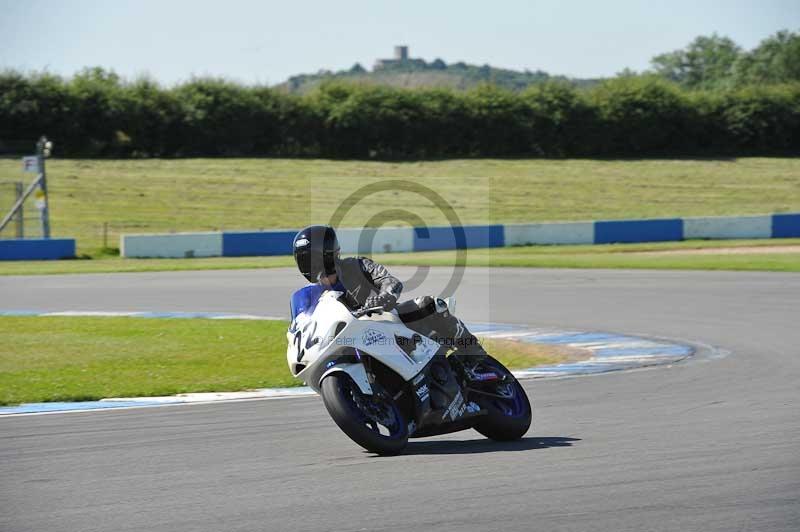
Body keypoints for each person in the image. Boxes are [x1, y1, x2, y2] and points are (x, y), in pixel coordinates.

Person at [292, 224, 487, 356]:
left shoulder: (357, 266)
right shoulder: (310, 297)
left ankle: (476, 355)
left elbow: (388, 281)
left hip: (388, 323)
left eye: (313, 258)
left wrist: (385, 296)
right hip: (353, 342)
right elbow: (303, 325)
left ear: (328, 254)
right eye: (305, 259)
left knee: (429, 305)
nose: (312, 264)